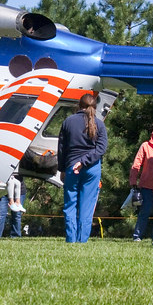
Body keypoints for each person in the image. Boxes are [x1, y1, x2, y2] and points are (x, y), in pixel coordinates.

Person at [57, 93, 108, 244]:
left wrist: (62, 169)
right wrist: (85, 161)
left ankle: (71, 240)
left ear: (79, 106)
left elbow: (61, 148)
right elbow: (101, 148)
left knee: (70, 205)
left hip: (72, 167)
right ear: (95, 107)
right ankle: (82, 241)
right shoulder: (99, 124)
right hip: (92, 169)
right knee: (86, 207)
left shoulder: (68, 122)